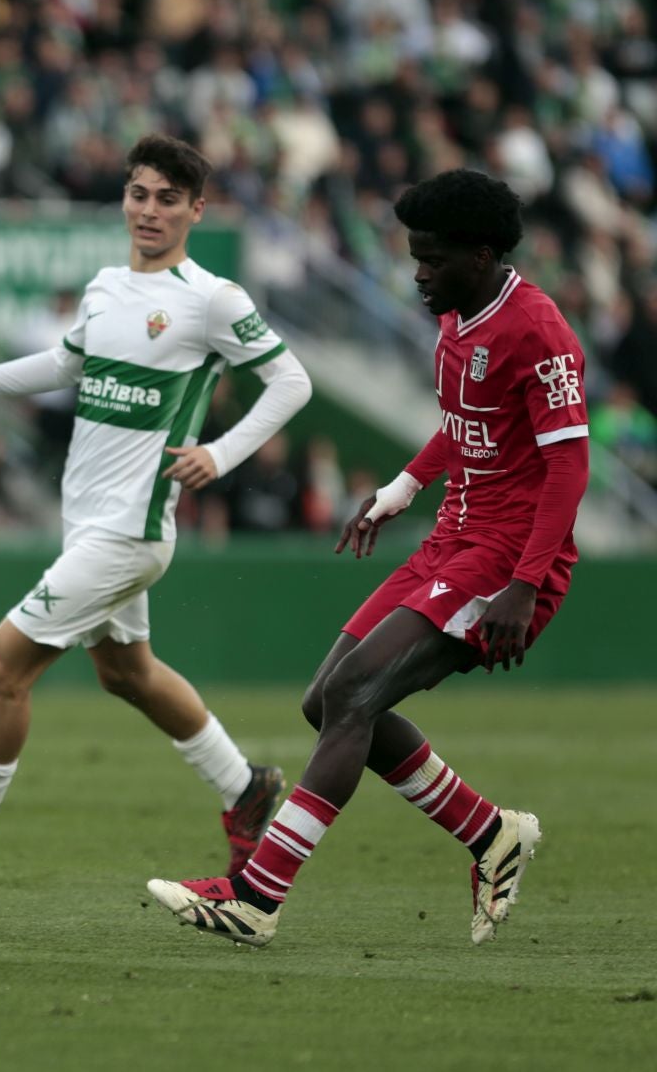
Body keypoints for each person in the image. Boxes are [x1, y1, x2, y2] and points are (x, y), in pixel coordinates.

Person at [148, 169, 586, 947]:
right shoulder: (459, 316)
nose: (417, 273)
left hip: (506, 558)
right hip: (453, 537)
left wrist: (524, 584)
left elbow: (568, 466)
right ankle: (491, 833)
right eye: (413, 256)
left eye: (432, 259)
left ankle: (257, 896)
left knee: (354, 693)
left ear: (481, 256)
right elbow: (468, 421)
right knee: (327, 701)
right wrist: (403, 484)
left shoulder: (540, 332)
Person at [0, 135, 313, 874]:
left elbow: (293, 382)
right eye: (138, 193)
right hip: (87, 523)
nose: (148, 210)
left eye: (166, 198)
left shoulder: (212, 299)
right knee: (126, 672)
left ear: (195, 209)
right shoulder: (104, 286)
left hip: (131, 530)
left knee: (3, 668)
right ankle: (245, 785)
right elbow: (63, 364)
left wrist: (218, 454)